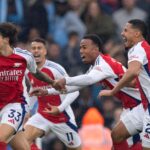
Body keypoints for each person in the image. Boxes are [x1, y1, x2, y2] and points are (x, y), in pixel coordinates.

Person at [30, 34, 142, 150]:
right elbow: (77, 86)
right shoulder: (97, 65)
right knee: (119, 141)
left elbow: (89, 79)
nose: (80, 51)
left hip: (139, 105)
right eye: (80, 48)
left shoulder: (103, 64)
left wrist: (65, 80)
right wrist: (47, 92)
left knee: (121, 139)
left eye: (84, 47)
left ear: (95, 49)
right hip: (130, 107)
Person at [0, 22, 54, 150]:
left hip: (14, 105)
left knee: (0, 139)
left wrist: (53, 82)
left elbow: (36, 73)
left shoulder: (24, 56)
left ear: (6, 39)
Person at [99, 19, 150, 150]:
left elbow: (133, 72)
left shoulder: (137, 49)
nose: (122, 33)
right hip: (144, 106)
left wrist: (113, 91)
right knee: (117, 135)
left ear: (137, 34)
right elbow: (137, 78)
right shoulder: (144, 49)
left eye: (126, 30)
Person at [23, 38, 81, 150]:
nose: (36, 51)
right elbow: (34, 92)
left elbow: (75, 91)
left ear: (45, 51)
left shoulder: (56, 69)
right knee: (21, 140)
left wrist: (60, 108)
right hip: (42, 115)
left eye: (39, 48)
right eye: (33, 48)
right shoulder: (28, 70)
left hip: (62, 117)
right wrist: (27, 110)